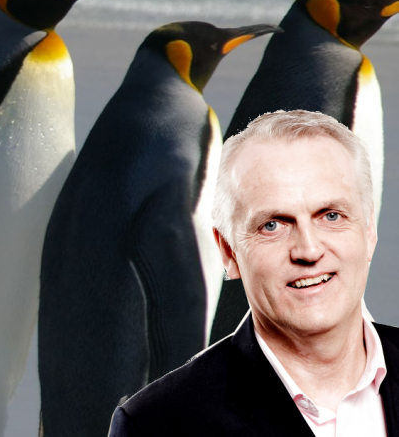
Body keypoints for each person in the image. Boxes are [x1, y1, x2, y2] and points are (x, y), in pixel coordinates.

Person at [109, 110, 399, 436]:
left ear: (369, 231)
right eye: (272, 225)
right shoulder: (156, 425)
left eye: (331, 216)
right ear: (229, 252)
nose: (309, 250)